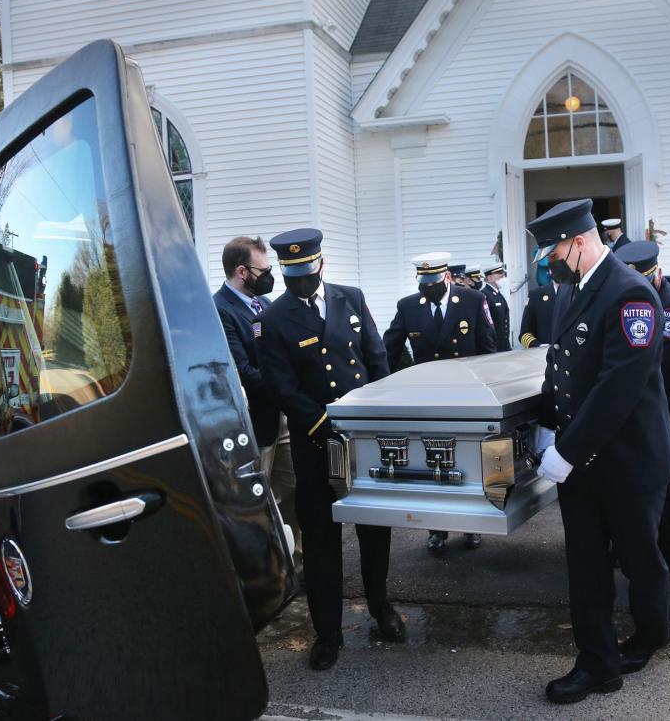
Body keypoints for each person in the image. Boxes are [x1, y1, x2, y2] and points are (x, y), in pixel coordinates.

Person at [527, 199, 670, 704]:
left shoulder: (631, 295)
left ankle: (652, 633)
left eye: (552, 251)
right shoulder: (571, 291)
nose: (548, 262)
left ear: (579, 242)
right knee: (585, 566)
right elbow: (560, 369)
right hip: (585, 462)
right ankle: (598, 664)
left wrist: (565, 452)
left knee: (639, 560)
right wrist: (544, 426)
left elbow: (618, 387)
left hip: (630, 461)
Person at [256, 228, 404, 670]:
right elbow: (281, 386)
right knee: (321, 541)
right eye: (291, 275)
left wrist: (379, 421)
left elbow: (377, 361)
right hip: (316, 446)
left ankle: (380, 608)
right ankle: (328, 632)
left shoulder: (351, 299)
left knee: (375, 531)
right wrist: (326, 426)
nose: (299, 282)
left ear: (321, 264)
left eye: (305, 273)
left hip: (364, 443)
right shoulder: (273, 319)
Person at [384, 252, 496, 551]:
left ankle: (472, 525)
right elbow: (389, 350)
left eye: (432, 282)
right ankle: (436, 527)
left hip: (467, 396)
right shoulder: (408, 307)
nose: (428, 288)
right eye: (423, 283)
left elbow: (488, 347)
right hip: (429, 398)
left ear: (446, 277)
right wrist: (378, 385)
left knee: (469, 464)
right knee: (434, 462)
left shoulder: (472, 300)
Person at [212, 237, 300, 563]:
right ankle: (267, 566)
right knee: (260, 496)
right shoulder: (220, 310)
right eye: (263, 270)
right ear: (241, 271)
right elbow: (244, 371)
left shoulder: (263, 305)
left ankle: (297, 560)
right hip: (256, 423)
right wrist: (287, 384)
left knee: (293, 488)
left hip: (282, 416)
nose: (269, 276)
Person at [616, 241, 670, 581]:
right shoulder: (631, 298)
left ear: (658, 274)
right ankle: (634, 546)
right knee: (632, 479)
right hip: (639, 406)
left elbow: (651, 362)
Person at [519, 281, 559, 348]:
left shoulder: (576, 291)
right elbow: (524, 334)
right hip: (544, 355)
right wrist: (539, 346)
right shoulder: (536, 294)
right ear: (550, 271)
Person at [482, 262, 511, 351]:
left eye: (502, 274)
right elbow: (486, 323)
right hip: (494, 344)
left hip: (503, 343)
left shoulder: (497, 294)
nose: (502, 277)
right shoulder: (485, 295)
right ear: (489, 278)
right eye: (499, 274)